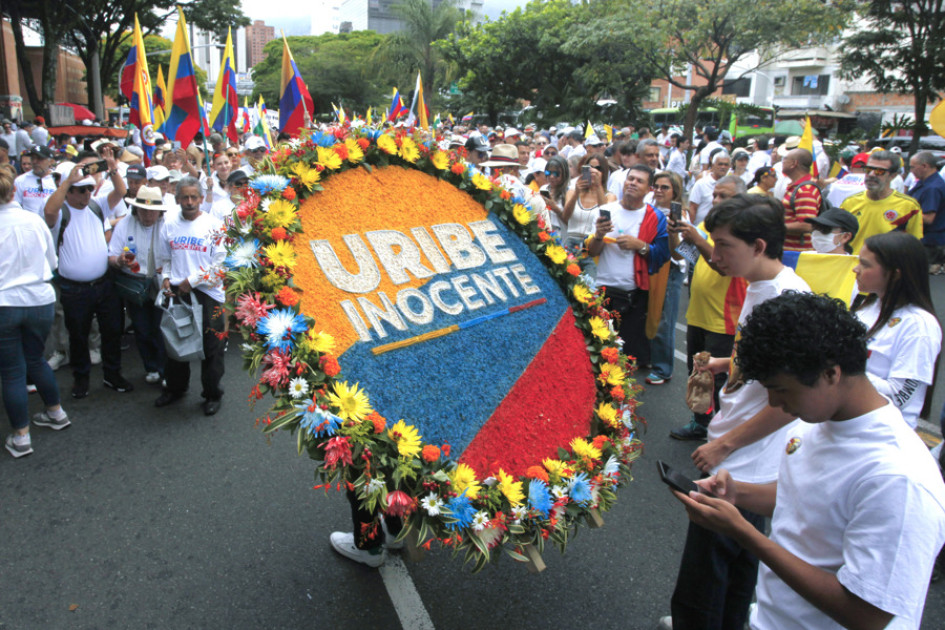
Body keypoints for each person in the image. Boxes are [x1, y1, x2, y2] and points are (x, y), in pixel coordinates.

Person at [673, 292, 945, 630]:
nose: (774, 403)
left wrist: (744, 532)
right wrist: (736, 494)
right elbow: (807, 496)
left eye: (782, 390)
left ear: (830, 374)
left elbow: (868, 615)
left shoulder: (899, 478)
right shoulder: (814, 420)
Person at [664, 194, 810, 630]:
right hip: (740, 446)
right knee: (738, 560)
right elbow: (759, 363)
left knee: (706, 569)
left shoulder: (787, 300)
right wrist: (724, 364)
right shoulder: (759, 286)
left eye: (725, 245)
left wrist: (724, 444)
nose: (716, 255)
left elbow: (793, 399)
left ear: (760, 246)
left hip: (746, 454)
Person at [42, 154, 133, 399]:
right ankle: (80, 379)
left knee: (112, 332)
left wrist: (113, 170)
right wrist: (66, 181)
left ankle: (112, 374)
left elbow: (120, 192)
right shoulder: (60, 212)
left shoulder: (96, 205)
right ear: (68, 191)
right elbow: (49, 211)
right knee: (78, 336)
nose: (86, 195)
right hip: (74, 290)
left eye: (88, 190)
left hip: (104, 284)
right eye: (80, 191)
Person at [669, 175, 748, 441]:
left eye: (724, 196)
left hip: (724, 319)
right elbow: (683, 255)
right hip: (698, 314)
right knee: (698, 376)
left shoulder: (743, 231)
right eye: (714, 195)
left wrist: (698, 239)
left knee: (721, 381)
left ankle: (723, 433)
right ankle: (701, 423)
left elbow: (722, 266)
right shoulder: (705, 225)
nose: (716, 201)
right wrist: (675, 237)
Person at [0, 169, 70, 458]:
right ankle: (56, 412)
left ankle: (21, 436)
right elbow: (52, 261)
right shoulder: (34, 220)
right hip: (39, 298)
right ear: (14, 191)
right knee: (35, 359)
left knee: (13, 371)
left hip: (5, 302)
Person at [851, 231, 941, 428]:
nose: (855, 269)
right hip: (850, 421)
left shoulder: (919, 325)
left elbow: (900, 395)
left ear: (895, 274)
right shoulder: (867, 304)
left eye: (865, 265)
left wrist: (842, 367)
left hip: (884, 431)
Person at [155, 177, 227, 415]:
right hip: (178, 294)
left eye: (193, 197)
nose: (189, 202)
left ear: (200, 198)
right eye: (184, 197)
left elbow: (221, 267)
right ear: (177, 199)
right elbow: (165, 259)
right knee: (177, 343)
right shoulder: (168, 223)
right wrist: (165, 278)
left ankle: (212, 394)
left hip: (210, 296)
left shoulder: (215, 226)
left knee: (212, 348)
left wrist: (193, 280)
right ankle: (175, 388)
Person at [587, 163, 669, 368]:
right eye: (630, 178)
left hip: (635, 296)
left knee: (627, 357)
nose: (632, 183)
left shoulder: (655, 217)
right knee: (599, 353)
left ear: (649, 190)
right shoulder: (606, 210)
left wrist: (640, 246)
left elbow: (663, 254)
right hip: (604, 292)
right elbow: (591, 251)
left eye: (639, 181)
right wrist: (598, 235)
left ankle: (621, 397)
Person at [108, 186, 169, 385]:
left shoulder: (168, 224)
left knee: (161, 329)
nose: (148, 214)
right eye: (143, 210)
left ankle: (165, 370)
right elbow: (111, 255)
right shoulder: (125, 224)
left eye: (152, 211)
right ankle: (150, 367)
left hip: (160, 284)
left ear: (160, 211)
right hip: (135, 284)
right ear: (136, 209)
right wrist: (119, 261)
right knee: (142, 329)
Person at [646, 171, 685, 385]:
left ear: (675, 191)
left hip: (670, 270)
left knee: (665, 320)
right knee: (648, 314)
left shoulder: (680, 216)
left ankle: (663, 368)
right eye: (656, 186)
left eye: (665, 187)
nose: (659, 190)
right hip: (650, 267)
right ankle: (648, 358)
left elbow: (686, 252)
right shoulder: (648, 209)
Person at [841, 150, 923, 254]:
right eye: (868, 169)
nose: (871, 174)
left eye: (879, 171)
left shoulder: (909, 207)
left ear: (893, 175)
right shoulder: (849, 203)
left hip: (887, 268)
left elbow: (914, 247)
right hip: (852, 266)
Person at [560, 153, 616, 278]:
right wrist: (576, 194)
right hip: (570, 244)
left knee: (590, 290)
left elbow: (605, 215)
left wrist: (598, 186)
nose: (593, 171)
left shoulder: (610, 196)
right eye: (589, 168)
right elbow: (565, 218)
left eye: (598, 168)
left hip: (591, 247)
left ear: (604, 172)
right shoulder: (573, 191)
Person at [908, 151, 945, 274]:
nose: (911, 170)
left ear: (924, 166)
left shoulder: (932, 188)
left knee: (917, 276)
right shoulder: (925, 182)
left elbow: (929, 218)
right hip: (923, 238)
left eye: (913, 167)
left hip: (928, 241)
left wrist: (905, 212)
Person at [780, 148, 822, 251]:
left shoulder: (805, 190)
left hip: (796, 253)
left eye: (785, 159)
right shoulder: (798, 187)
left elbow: (806, 225)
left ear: (794, 163)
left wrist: (775, 227)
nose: (783, 162)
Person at [688, 149, 731, 224]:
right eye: (720, 164)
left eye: (726, 164)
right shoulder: (701, 183)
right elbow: (692, 207)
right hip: (701, 228)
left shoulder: (730, 185)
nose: (723, 167)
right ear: (713, 165)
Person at [13, 144, 56, 217]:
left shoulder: (56, 179)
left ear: (50, 161)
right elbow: (15, 206)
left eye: (40, 158)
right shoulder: (20, 181)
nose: (35, 162)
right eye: (33, 158)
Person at [539, 155, 571, 236]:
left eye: (556, 173)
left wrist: (555, 208)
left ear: (564, 174)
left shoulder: (569, 193)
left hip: (562, 236)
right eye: (548, 173)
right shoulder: (544, 188)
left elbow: (571, 222)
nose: (551, 176)